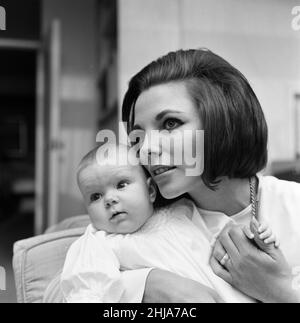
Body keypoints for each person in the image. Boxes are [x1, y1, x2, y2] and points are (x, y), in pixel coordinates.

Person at [120, 48, 300, 303]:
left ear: (224, 120)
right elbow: (66, 289)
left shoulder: (293, 206)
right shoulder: (140, 222)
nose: (146, 148)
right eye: (138, 135)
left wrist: (280, 291)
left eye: (170, 124)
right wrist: (146, 283)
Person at [60, 143, 278, 303]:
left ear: (151, 190)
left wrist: (256, 236)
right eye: (95, 196)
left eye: (121, 184)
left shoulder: (182, 211)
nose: (109, 199)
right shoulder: (98, 243)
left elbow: (226, 236)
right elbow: (86, 290)